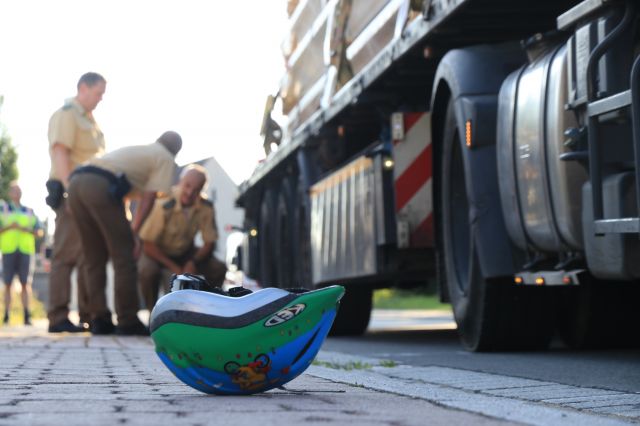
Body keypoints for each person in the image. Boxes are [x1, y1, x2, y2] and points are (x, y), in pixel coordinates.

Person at [67, 131, 182, 335]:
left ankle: (99, 319)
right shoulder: (164, 157)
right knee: (124, 257)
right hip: (100, 185)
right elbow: (149, 198)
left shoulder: (141, 152)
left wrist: (129, 227)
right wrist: (134, 233)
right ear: (176, 151)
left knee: (93, 257)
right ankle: (127, 320)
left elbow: (122, 197)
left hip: (76, 183)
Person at [46, 72, 106, 333]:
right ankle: (58, 317)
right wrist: (71, 193)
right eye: (98, 93)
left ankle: (87, 314)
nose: (101, 98)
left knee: (86, 257)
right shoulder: (68, 114)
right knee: (65, 256)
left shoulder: (90, 120)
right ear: (83, 88)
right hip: (73, 193)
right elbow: (61, 152)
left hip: (89, 195)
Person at [137, 164, 227, 310]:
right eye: (187, 186)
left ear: (202, 190)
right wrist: (174, 267)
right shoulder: (164, 203)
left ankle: (210, 309)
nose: (190, 193)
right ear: (180, 182)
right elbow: (147, 244)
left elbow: (209, 243)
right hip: (156, 252)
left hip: (185, 252)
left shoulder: (206, 207)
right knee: (147, 271)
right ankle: (153, 312)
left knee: (218, 268)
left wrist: (193, 262)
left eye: (196, 189)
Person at [0, 182, 41, 325]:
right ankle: (6, 315)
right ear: (10, 193)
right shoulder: (3, 209)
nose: (17, 193)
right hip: (8, 250)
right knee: (7, 284)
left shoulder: (29, 211)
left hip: (25, 250)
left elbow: (39, 231)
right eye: (14, 190)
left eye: (19, 190)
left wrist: (26, 229)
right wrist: (9, 227)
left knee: (25, 283)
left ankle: (26, 316)